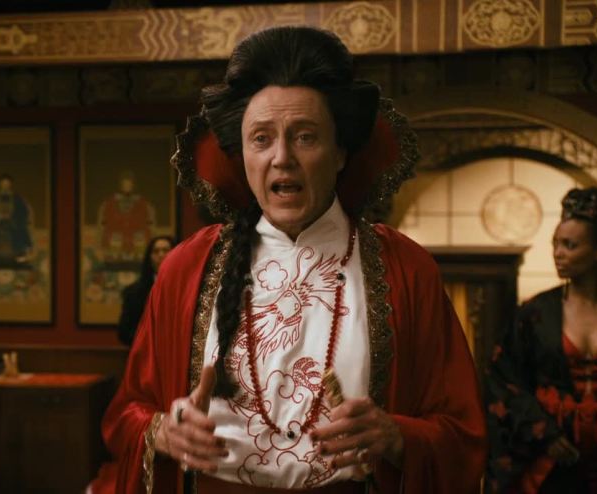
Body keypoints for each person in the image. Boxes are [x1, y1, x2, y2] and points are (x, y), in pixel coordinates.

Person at [92, 26, 485, 494]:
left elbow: (461, 433)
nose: (282, 158)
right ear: (241, 155)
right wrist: (161, 430)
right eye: (261, 139)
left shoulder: (405, 269)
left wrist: (396, 436)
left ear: (340, 152)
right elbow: (127, 413)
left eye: (305, 137)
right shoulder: (188, 268)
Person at [485, 187, 597, 493]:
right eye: (555, 244)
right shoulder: (535, 314)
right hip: (548, 460)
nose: (558, 253)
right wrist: (543, 432)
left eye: (570, 245)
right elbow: (502, 379)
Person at [117, 236, 175, 346]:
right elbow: (124, 332)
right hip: (145, 350)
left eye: (166, 250)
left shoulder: (187, 289)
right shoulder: (133, 292)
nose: (161, 255)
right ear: (150, 257)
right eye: (156, 251)